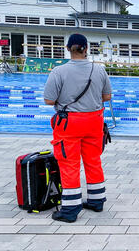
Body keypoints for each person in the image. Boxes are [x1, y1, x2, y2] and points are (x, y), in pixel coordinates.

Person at [43, 34, 112, 223]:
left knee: (69, 164)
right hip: (94, 121)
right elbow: (107, 97)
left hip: (69, 124)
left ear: (68, 49)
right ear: (86, 48)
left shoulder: (58, 72)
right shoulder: (99, 70)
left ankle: (71, 208)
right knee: (93, 160)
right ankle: (97, 200)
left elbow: (49, 100)